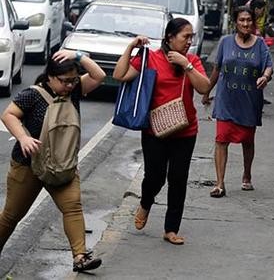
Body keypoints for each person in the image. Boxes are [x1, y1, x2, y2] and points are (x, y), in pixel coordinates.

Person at [0, 49, 106, 272]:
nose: (69, 85)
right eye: (64, 81)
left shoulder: (74, 92)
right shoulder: (33, 94)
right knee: (11, 216)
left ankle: (80, 257)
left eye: (73, 80)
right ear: (50, 77)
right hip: (28, 166)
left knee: (73, 208)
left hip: (63, 165)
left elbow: (99, 76)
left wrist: (78, 56)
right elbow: (8, 114)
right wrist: (23, 138)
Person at [113, 18, 210, 245]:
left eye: (191, 37)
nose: (189, 41)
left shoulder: (192, 60)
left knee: (178, 178)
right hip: (154, 131)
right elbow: (120, 75)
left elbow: (204, 87)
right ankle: (146, 202)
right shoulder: (151, 59)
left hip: (185, 131)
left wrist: (186, 65)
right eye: (185, 36)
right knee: (154, 177)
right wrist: (131, 48)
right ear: (169, 37)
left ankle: (171, 229)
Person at [202, 6, 273, 198]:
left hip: (249, 101)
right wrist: (206, 91)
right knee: (221, 139)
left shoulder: (260, 44)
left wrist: (265, 77)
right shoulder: (225, 42)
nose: (245, 24)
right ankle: (219, 183)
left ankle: (247, 174)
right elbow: (217, 70)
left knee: (247, 141)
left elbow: (268, 67)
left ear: (253, 22)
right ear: (235, 22)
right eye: (242, 20)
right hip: (226, 100)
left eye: (249, 20)